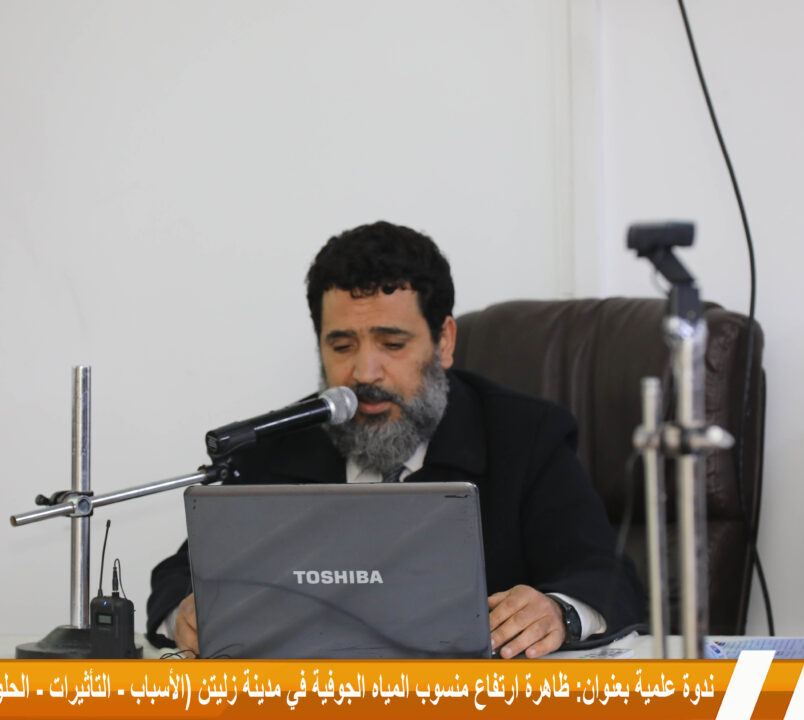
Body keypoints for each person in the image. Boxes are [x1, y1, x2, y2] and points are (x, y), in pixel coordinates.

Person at [147, 221, 644, 657]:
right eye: (342, 345)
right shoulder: (278, 443)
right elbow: (180, 576)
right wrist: (185, 614)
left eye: (391, 343)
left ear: (444, 342)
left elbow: (607, 576)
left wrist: (556, 611)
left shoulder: (525, 436)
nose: (365, 372)